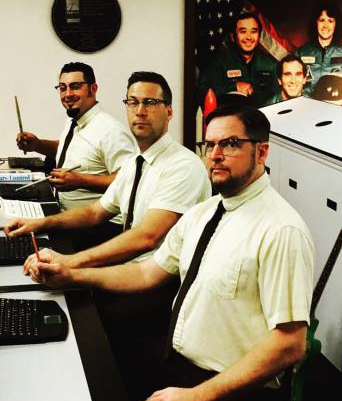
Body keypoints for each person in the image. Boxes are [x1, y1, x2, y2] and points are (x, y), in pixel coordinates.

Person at [24, 104, 314, 401]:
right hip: (178, 370)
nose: (215, 154)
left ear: (261, 152)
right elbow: (148, 273)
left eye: (230, 144)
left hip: (231, 395)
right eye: (210, 145)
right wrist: (71, 276)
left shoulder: (281, 230)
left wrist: (196, 398)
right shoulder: (203, 213)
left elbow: (290, 344)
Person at [6, 71, 211, 268]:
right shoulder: (135, 162)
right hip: (129, 265)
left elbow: (147, 238)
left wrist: (72, 261)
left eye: (150, 102)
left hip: (159, 280)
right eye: (133, 102)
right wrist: (39, 223)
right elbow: (95, 212)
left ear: (169, 111)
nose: (140, 111)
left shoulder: (183, 166)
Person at [16, 62, 135, 218]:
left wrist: (81, 181)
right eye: (63, 88)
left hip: (100, 225)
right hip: (67, 216)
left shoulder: (112, 131)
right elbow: (72, 150)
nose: (67, 94)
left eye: (75, 86)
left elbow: (129, 182)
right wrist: (38, 145)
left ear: (93, 89)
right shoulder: (74, 119)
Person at [197, 12, 279, 109]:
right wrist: (233, 87)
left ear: (259, 36)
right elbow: (202, 93)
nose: (249, 37)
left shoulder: (270, 63)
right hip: (229, 120)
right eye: (243, 31)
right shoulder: (219, 62)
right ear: (233, 37)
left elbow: (278, 98)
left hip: (262, 120)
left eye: (253, 31)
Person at [297, 2, 342, 96]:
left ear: (336, 25)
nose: (325, 25)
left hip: (336, 107)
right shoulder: (300, 53)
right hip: (307, 106)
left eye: (330, 21)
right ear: (315, 23)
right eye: (322, 20)